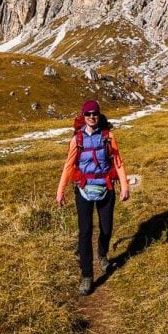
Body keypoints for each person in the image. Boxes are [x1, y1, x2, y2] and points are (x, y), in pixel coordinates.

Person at [56, 99, 130, 295]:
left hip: (106, 188)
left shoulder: (108, 137)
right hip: (83, 190)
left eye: (94, 114)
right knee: (85, 231)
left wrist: (124, 187)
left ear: (99, 115)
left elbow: (118, 163)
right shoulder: (77, 140)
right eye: (87, 114)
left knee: (106, 228)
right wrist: (60, 190)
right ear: (83, 116)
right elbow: (69, 166)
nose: (91, 117)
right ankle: (87, 275)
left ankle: (103, 254)